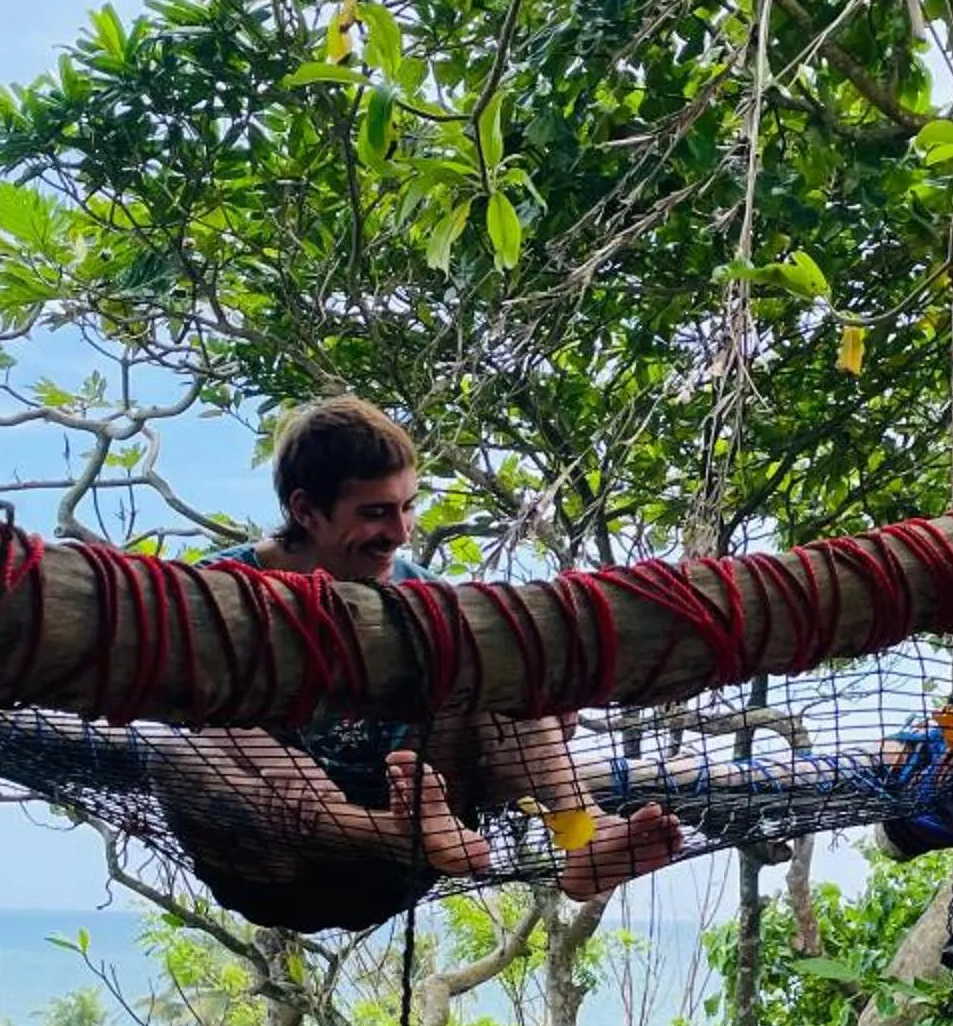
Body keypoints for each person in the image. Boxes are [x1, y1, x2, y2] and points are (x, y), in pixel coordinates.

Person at [189, 398, 680, 929]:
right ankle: (385, 828)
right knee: (183, 742)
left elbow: (500, 694)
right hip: (277, 860)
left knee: (490, 657)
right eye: (375, 512)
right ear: (306, 511)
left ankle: (583, 834)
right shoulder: (219, 591)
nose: (401, 533)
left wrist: (543, 703)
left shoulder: (417, 588)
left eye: (408, 507)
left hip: (422, 837)